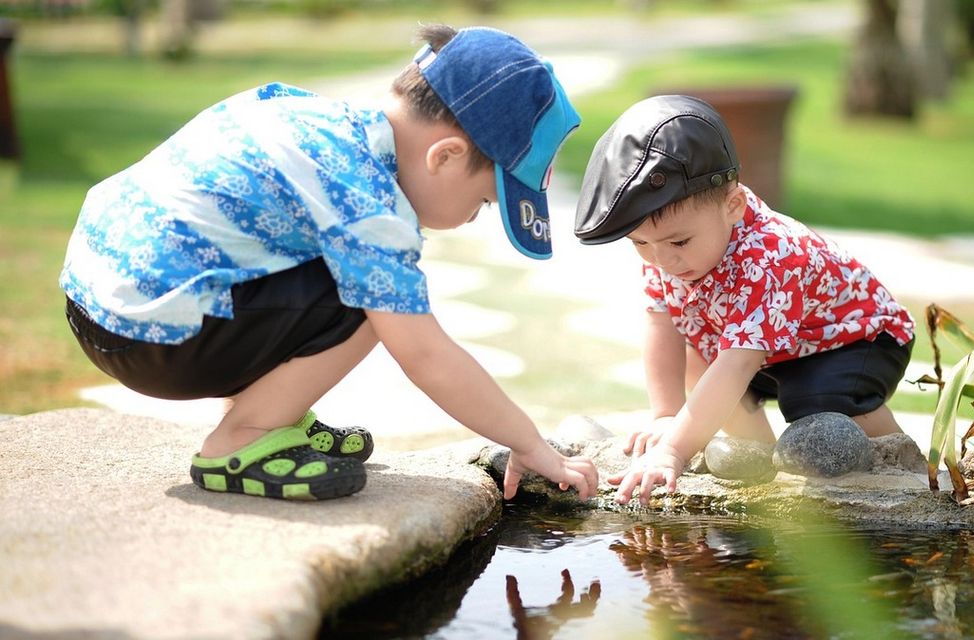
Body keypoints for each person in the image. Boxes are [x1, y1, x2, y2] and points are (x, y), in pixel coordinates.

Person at [60, 25, 598, 502]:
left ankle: (274, 414)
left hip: (100, 302)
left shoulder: (316, 118)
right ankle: (242, 440)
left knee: (349, 272)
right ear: (446, 156)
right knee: (377, 301)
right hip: (151, 337)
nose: (471, 218)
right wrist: (528, 443)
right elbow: (425, 355)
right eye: (484, 203)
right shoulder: (367, 201)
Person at [573, 95, 915, 505]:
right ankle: (758, 464)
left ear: (733, 205)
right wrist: (666, 415)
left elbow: (739, 363)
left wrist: (673, 450)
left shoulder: (771, 255)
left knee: (815, 403)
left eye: (678, 241)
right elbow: (661, 323)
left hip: (855, 340)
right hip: (771, 349)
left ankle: (900, 463)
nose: (663, 259)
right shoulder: (668, 250)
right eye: (640, 243)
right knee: (698, 355)